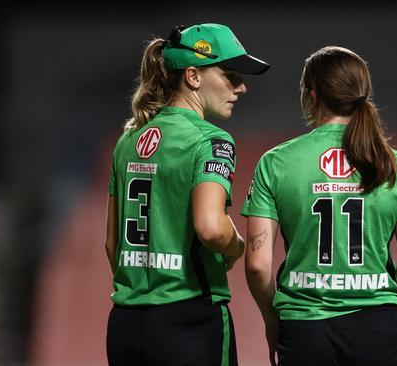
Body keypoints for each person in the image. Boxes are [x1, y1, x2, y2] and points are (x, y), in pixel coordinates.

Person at [242, 46, 397, 366]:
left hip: (303, 330)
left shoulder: (275, 163)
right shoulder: (394, 165)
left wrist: (273, 323)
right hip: (377, 331)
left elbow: (258, 265)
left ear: (311, 96)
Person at [104, 23, 269, 366]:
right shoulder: (211, 140)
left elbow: (112, 245)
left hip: (125, 323)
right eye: (231, 74)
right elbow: (210, 228)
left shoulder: (128, 140)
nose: (242, 87)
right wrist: (237, 245)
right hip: (189, 321)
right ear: (193, 76)